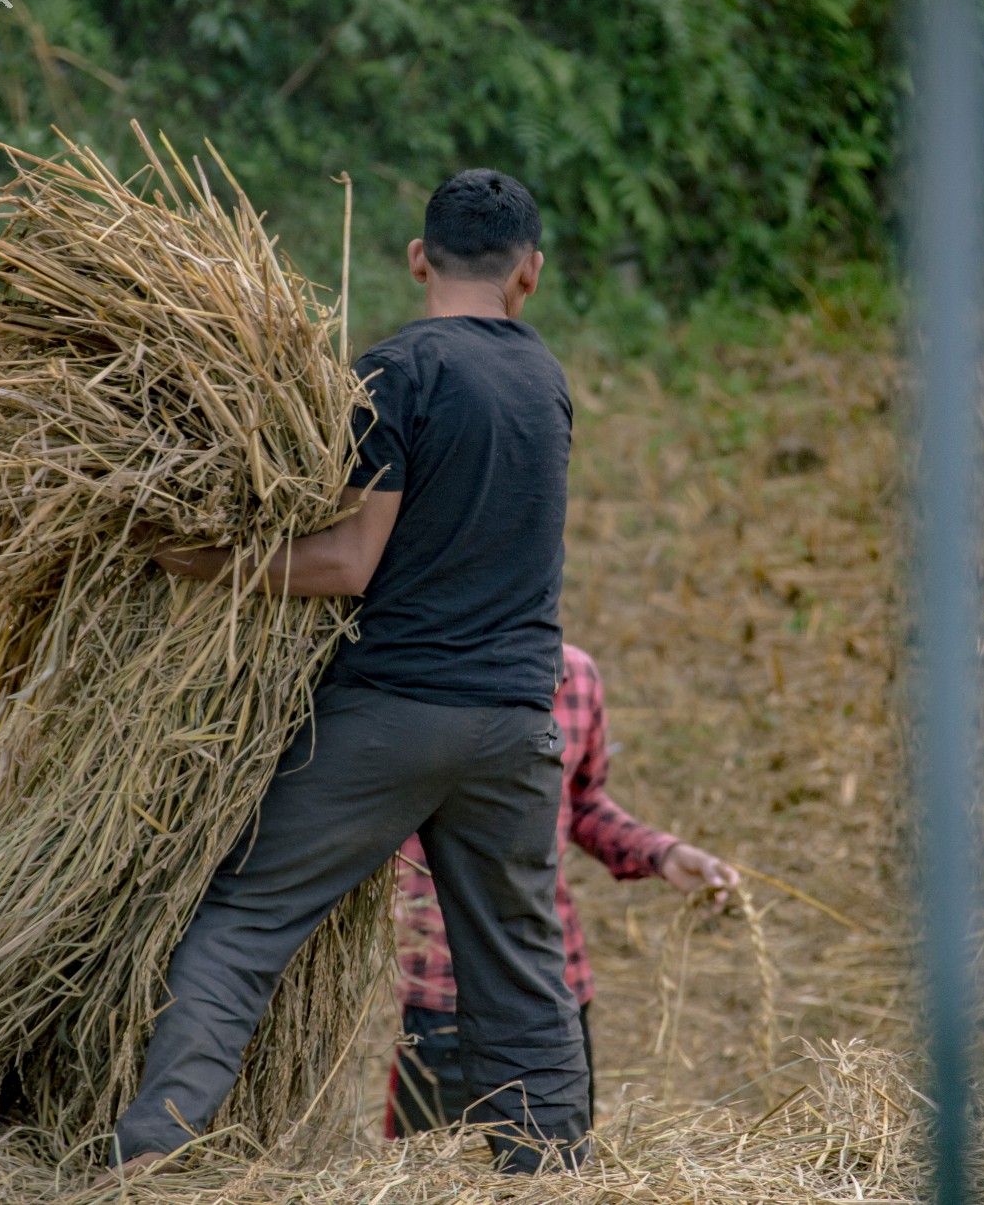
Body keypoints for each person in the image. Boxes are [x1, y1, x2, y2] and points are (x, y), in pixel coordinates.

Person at [118, 169, 585, 1174]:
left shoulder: (398, 371)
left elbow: (344, 564)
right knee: (520, 965)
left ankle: (149, 1162)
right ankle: (550, 1177)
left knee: (245, 921)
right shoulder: (546, 383)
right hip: (517, 728)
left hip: (394, 713)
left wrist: (203, 562)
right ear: (529, 274)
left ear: (418, 259)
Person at [386, 643, 740, 1135]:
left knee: (559, 1171)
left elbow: (582, 801)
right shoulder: (412, 670)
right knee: (431, 1174)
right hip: (443, 988)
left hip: (553, 983)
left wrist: (662, 853)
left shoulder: (577, 674)